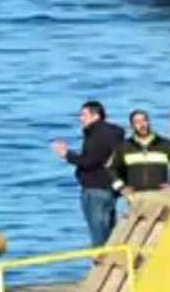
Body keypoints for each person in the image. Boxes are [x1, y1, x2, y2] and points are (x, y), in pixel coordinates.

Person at [52, 100, 124, 246]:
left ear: (96, 116)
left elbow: (90, 161)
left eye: (84, 115)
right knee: (109, 230)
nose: (81, 119)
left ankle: (101, 257)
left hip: (95, 188)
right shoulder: (114, 134)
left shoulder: (97, 134)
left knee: (98, 234)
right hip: (110, 188)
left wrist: (67, 155)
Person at [107, 109, 170, 197]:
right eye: (137, 122)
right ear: (132, 126)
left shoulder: (165, 144)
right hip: (135, 196)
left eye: (144, 120)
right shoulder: (124, 146)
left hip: (161, 195)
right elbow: (111, 169)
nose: (142, 125)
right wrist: (121, 187)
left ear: (149, 122)